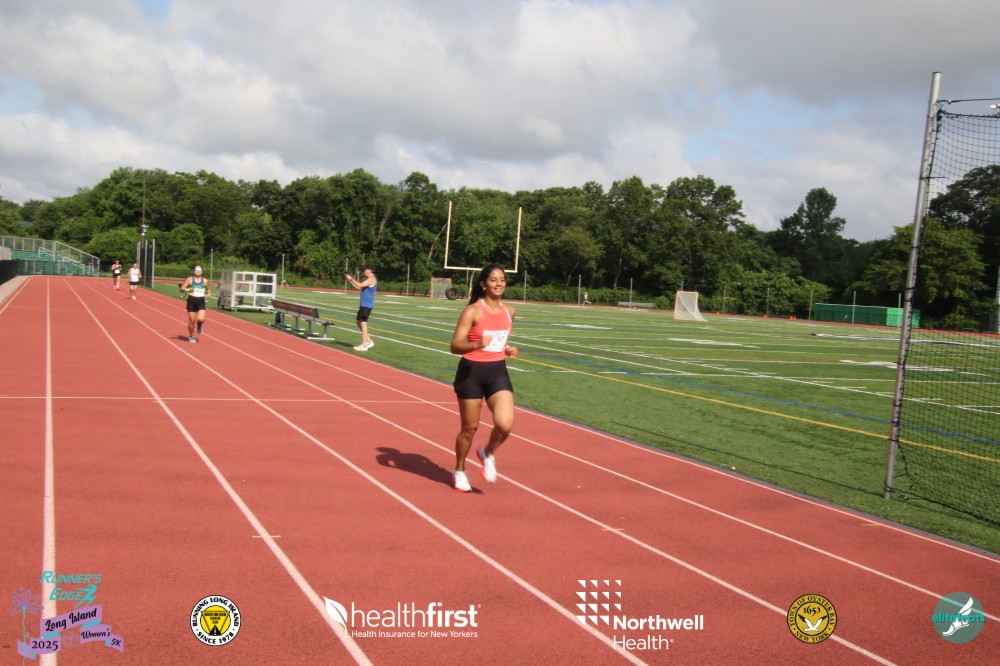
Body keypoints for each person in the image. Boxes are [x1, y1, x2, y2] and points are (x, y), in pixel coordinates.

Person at [449, 264, 518, 493]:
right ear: (483, 284)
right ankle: (459, 470)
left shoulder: (510, 312)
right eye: (493, 280)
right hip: (471, 373)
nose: (499, 284)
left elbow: (498, 341)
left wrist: (507, 349)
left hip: (497, 371)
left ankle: (486, 452)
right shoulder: (472, 311)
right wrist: (476, 344)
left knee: (505, 425)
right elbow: (454, 345)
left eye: (502, 280)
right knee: (469, 428)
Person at [344, 264, 377, 351]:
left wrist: (351, 279)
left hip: (367, 305)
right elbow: (358, 287)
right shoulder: (368, 279)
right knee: (358, 322)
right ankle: (369, 341)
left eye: (365, 270)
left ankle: (364, 344)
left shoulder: (371, 279)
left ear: (370, 270)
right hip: (363, 304)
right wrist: (349, 280)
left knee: (363, 322)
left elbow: (360, 285)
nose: (364, 271)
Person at [179, 265, 211, 343]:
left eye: (199, 270)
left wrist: (208, 294)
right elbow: (181, 289)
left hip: (201, 301)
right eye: (196, 270)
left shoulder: (205, 280)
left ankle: (199, 325)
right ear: (193, 271)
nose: (198, 271)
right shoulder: (189, 279)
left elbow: (209, 289)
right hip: (191, 301)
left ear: (202, 271)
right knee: (192, 320)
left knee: (201, 319)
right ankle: (191, 336)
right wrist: (186, 289)